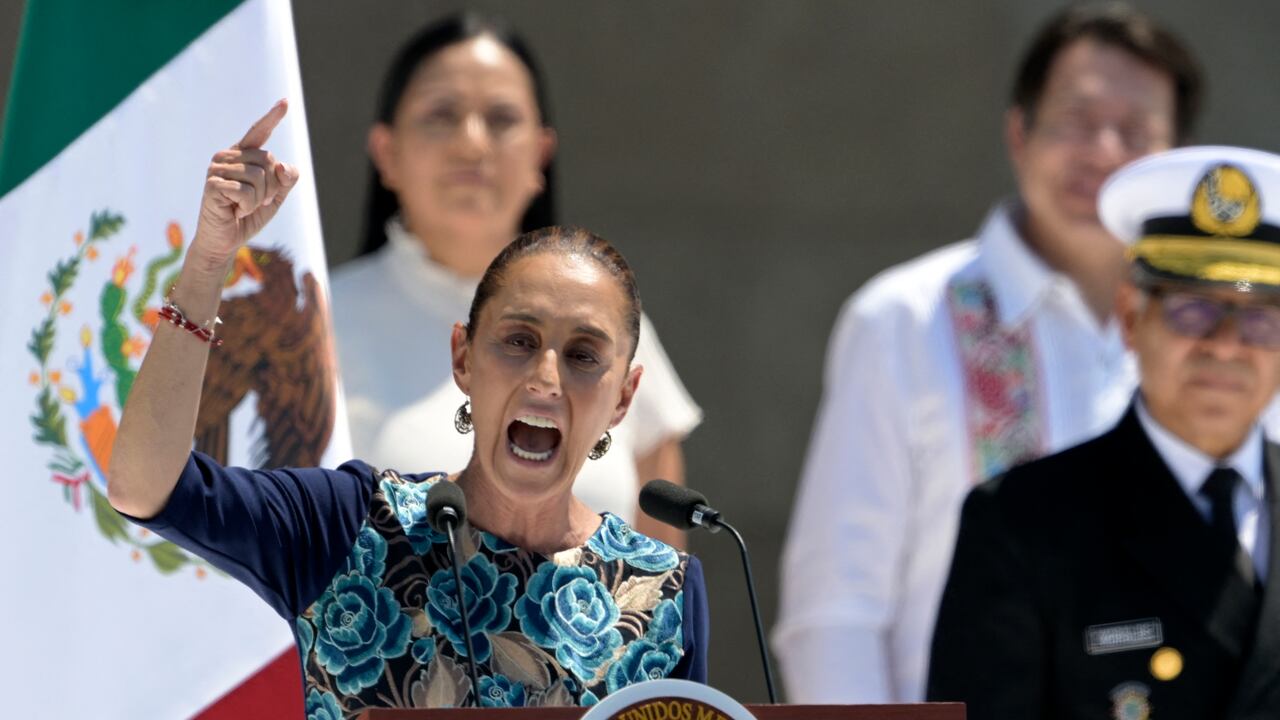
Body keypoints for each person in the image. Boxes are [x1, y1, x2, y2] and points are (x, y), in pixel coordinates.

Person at [107, 102, 708, 717]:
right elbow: (146, 486)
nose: (546, 378)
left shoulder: (661, 592)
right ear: (464, 359)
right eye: (519, 342)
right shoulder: (347, 525)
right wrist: (209, 260)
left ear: (624, 399)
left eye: (583, 355)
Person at [773, 3, 1204, 703]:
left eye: (1136, 130)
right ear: (1018, 132)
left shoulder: (1223, 340)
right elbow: (836, 612)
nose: (1104, 150)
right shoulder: (905, 321)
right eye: (1076, 118)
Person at [928, 145, 1280, 719]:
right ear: (1130, 318)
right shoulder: (1022, 523)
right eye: (1192, 310)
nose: (1225, 344)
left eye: (1261, 316)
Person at [329, 13, 700, 547]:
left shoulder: (607, 324)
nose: (472, 144)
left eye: (501, 118)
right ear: (386, 152)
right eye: (441, 115)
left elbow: (661, 578)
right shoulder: (316, 324)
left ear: (540, 154)